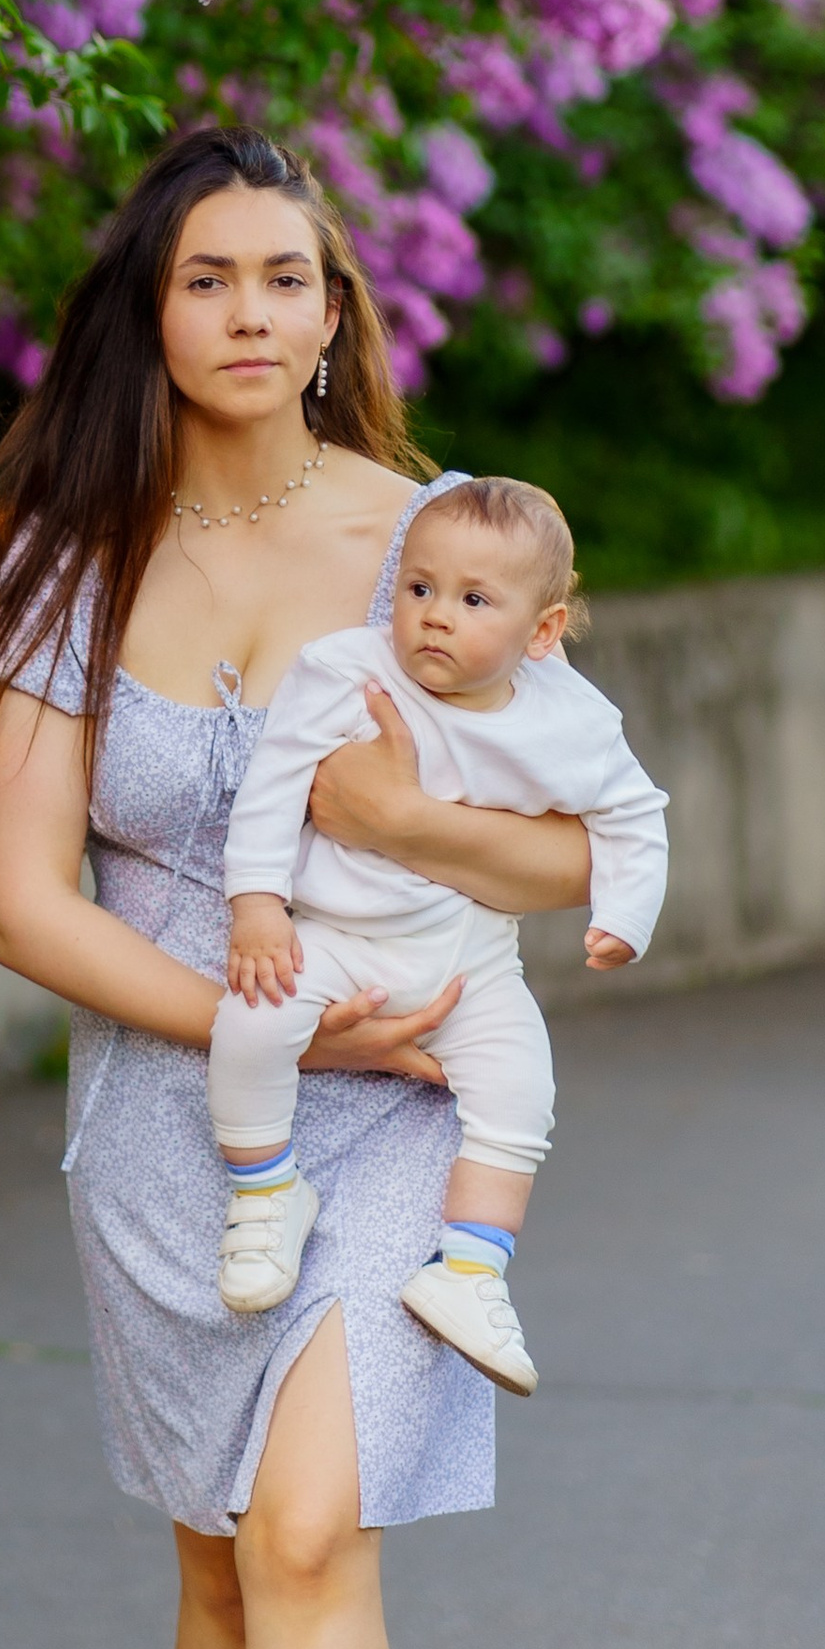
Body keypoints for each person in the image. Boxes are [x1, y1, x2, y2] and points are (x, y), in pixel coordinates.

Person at [0, 124, 593, 1649]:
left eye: (286, 278)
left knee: (311, 1531)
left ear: (333, 316)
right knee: (220, 1561)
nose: (250, 313)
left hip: (403, 1102)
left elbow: (573, 833)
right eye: (208, 277)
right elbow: (24, 906)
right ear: (151, 312)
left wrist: (401, 842)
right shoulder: (68, 558)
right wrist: (270, 1012)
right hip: (174, 1110)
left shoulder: (433, 537)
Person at [210, 473, 668, 1397]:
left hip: (470, 956)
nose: (434, 617)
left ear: (541, 634)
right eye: (418, 588)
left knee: (520, 1089)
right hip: (334, 935)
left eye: (473, 600)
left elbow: (632, 814)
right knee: (250, 1023)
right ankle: (266, 1192)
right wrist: (256, 903)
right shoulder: (347, 670)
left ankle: (470, 1271)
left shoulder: (568, 718)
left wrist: (625, 916)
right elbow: (272, 783)